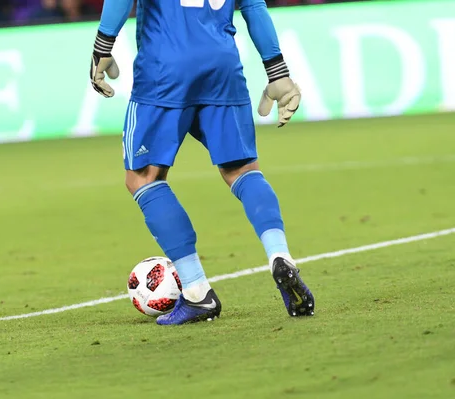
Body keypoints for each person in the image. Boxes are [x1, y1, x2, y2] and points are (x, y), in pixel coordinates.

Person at [89, 0, 315, 325]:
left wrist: (102, 46)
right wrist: (277, 72)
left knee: (143, 178)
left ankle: (197, 292)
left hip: (165, 70)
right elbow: (253, 6)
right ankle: (280, 254)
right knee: (243, 170)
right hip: (222, 66)